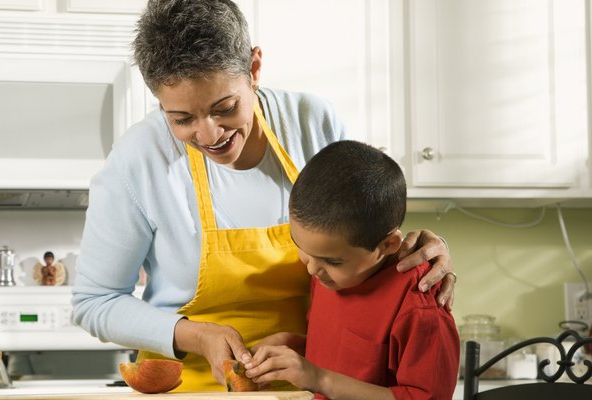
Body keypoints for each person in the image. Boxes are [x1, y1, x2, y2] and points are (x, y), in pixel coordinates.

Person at [72, 0, 456, 392]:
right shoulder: (139, 157)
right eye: (181, 119)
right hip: (191, 387)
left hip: (318, 383)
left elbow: (359, 237)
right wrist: (197, 336)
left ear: (254, 69)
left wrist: (417, 252)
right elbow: (95, 302)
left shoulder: (312, 121)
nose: (209, 135)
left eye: (225, 108)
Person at [244, 140, 460, 399]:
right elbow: (356, 361)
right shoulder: (333, 277)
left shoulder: (419, 306)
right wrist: (299, 348)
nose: (313, 269)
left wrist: (319, 378)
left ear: (388, 245)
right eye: (300, 247)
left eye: (332, 261)